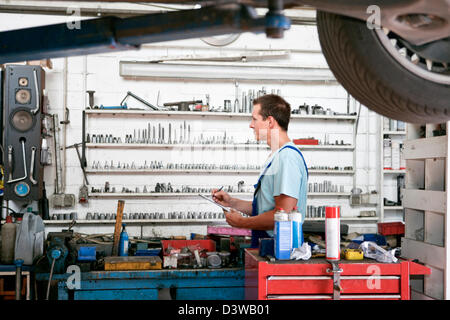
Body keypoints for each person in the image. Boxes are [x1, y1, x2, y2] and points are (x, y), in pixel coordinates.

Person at [212, 94, 309, 248]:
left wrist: (242, 222)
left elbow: (283, 215)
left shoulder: (287, 157)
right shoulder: (276, 156)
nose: (251, 125)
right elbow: (264, 208)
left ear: (269, 121)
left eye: (255, 119)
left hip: (281, 250)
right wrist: (231, 202)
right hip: (270, 246)